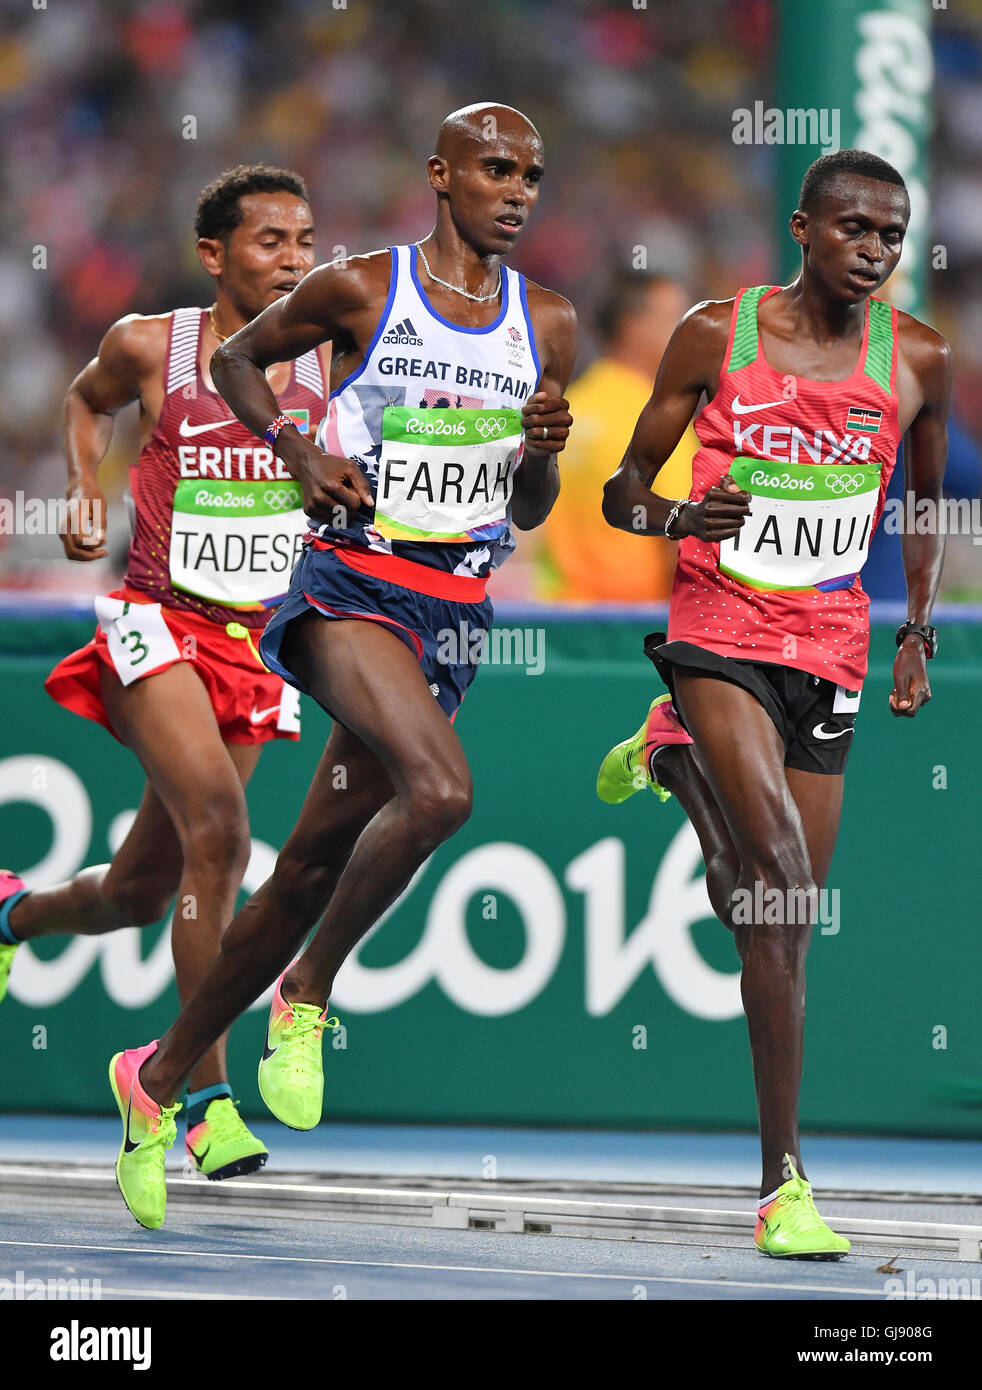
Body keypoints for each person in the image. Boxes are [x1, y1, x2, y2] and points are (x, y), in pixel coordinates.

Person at [102, 103, 577, 1229]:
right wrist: (298, 446)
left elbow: (527, 503)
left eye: (532, 176)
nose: (516, 191)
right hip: (350, 586)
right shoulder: (362, 287)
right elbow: (232, 360)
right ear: (440, 174)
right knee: (442, 791)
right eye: (495, 169)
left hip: (456, 608)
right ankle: (307, 994)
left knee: (308, 866)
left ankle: (155, 1077)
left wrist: (542, 454)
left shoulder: (546, 321)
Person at [597, 149, 949, 1258]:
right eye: (854, 229)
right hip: (718, 630)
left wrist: (916, 635)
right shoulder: (716, 334)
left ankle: (671, 757)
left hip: (831, 642)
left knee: (772, 914)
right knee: (785, 887)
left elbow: (926, 510)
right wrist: (675, 523)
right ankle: (781, 1183)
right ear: (802, 228)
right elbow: (621, 492)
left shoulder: (920, 357)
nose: (875, 251)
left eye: (891, 237)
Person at [0, 165, 328, 1183]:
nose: (294, 259)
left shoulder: (327, 359)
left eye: (306, 240)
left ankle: (13, 911)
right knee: (221, 838)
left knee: (144, 891)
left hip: (252, 649)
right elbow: (83, 402)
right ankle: (200, 1099)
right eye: (271, 241)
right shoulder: (152, 343)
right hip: (155, 622)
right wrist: (80, 486)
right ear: (216, 254)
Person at [534, 271, 696, 601]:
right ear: (633, 327)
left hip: (562, 619)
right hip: (633, 627)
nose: (691, 334)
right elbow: (681, 535)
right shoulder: (657, 418)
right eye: (675, 318)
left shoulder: (570, 407)